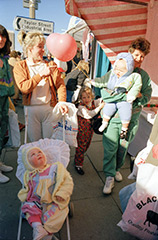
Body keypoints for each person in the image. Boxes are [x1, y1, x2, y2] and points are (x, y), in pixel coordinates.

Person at [94, 37, 152, 194]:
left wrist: (139, 96)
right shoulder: (116, 71)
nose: (139, 59)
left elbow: (146, 97)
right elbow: (105, 94)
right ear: (130, 53)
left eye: (142, 56)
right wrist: (125, 95)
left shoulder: (144, 76)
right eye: (136, 55)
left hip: (131, 121)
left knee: (122, 149)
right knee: (110, 148)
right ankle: (109, 176)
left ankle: (117, 169)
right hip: (113, 119)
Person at [13, 31, 68, 142]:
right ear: (30, 48)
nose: (43, 50)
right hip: (31, 110)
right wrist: (41, 75)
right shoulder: (20, 66)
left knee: (49, 141)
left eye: (43, 47)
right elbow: (24, 87)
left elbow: (60, 84)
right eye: (40, 47)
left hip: (49, 108)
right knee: (35, 143)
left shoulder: (50, 65)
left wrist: (62, 101)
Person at [18, 146, 74, 240]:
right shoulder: (30, 174)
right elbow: (30, 190)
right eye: (33, 155)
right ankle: (38, 228)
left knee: (56, 215)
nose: (38, 154)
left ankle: (47, 233)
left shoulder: (55, 168)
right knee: (29, 208)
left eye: (39, 152)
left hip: (54, 200)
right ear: (28, 163)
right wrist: (27, 196)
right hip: (37, 201)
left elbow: (67, 181)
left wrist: (62, 193)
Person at [90, 52, 142, 139]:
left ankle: (124, 129)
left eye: (121, 71)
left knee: (126, 110)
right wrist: (93, 82)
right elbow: (103, 81)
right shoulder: (112, 75)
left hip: (125, 102)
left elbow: (137, 86)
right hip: (112, 103)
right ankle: (104, 123)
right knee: (108, 108)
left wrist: (132, 95)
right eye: (116, 69)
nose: (118, 72)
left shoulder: (133, 76)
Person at [74, 86, 105, 175]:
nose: (87, 99)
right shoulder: (81, 107)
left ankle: (78, 159)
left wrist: (105, 98)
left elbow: (98, 101)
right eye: (84, 97)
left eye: (88, 97)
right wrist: (99, 107)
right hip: (82, 130)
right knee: (81, 147)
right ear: (80, 98)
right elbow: (89, 115)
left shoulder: (91, 103)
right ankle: (78, 164)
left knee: (86, 145)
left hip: (89, 130)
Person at [0, 25, 15, 183]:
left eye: (3, 36)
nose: (1, 39)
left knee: (1, 133)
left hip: (3, 102)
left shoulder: (4, 58)